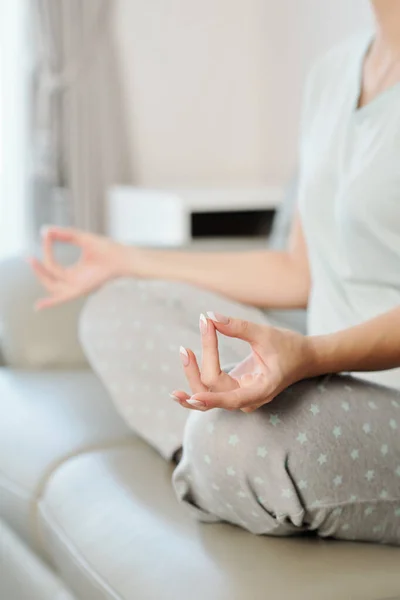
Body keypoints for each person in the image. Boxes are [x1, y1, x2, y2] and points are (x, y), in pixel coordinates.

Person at [29, 0, 400, 545]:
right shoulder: (332, 72)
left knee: (237, 440)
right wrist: (127, 257)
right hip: (317, 373)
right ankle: (229, 458)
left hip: (374, 392)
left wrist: (314, 357)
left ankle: (227, 456)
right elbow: (298, 271)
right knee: (115, 308)